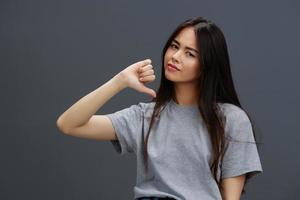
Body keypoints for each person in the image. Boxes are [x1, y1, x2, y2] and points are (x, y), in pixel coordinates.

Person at [56, 16, 263, 200]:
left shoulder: (231, 119)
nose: (175, 56)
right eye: (174, 46)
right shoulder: (145, 116)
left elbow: (231, 197)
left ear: (207, 65)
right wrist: (120, 81)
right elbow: (68, 124)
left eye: (189, 53)